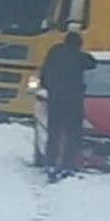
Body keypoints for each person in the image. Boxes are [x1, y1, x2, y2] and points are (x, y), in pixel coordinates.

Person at [39, 32, 96, 182]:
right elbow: (92, 62)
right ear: (78, 44)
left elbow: (44, 74)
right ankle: (68, 164)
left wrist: (49, 87)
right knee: (73, 134)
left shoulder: (54, 53)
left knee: (54, 132)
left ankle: (51, 162)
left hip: (56, 99)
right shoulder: (78, 56)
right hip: (73, 100)